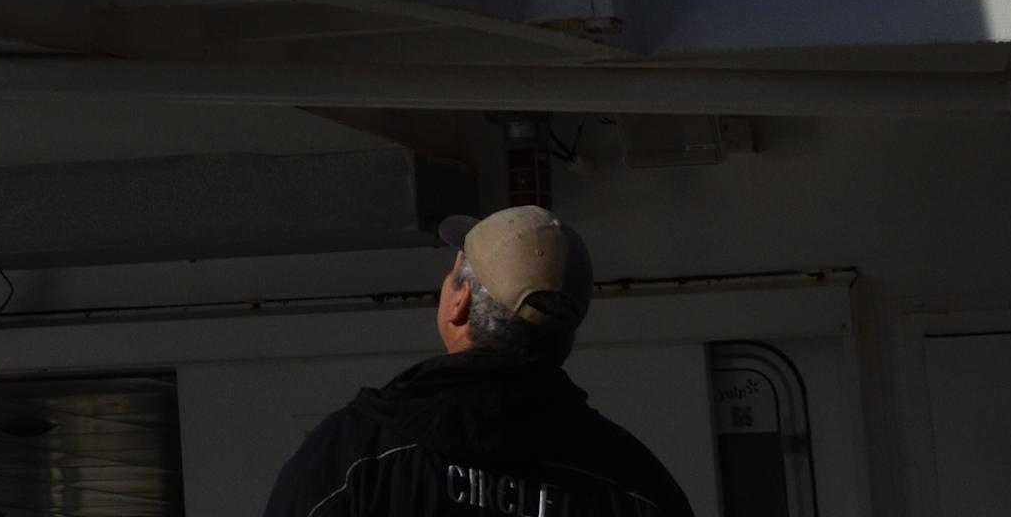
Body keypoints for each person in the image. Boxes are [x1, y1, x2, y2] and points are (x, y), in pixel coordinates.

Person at [259, 207, 692, 517]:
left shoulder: (357, 456)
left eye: (452, 276)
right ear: (566, 334)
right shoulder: (633, 483)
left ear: (460, 303)